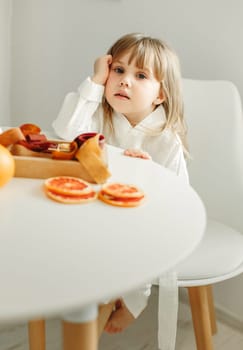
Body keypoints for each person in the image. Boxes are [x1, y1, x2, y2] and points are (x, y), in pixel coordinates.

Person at [53, 32, 189, 334]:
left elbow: (177, 201)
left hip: (144, 222)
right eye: (119, 70)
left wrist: (150, 175)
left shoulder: (166, 139)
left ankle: (131, 301)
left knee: (131, 242)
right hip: (97, 211)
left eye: (140, 75)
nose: (125, 80)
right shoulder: (101, 116)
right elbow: (66, 131)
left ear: (160, 95)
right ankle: (93, 294)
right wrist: (95, 80)